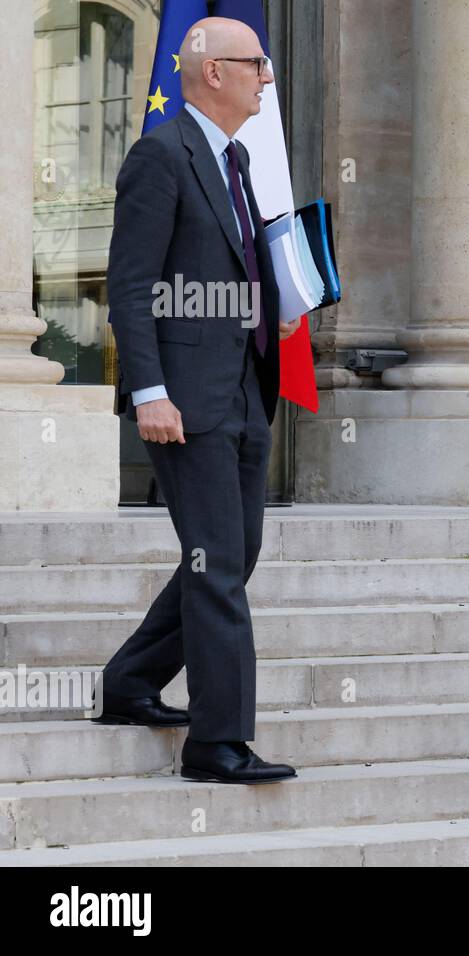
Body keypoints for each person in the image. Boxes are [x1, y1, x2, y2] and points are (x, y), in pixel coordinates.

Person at [93, 17, 300, 784]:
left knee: (230, 555)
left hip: (245, 389)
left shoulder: (237, 161)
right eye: (256, 65)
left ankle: (128, 682)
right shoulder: (160, 156)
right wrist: (149, 390)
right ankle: (217, 744)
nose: (267, 78)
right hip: (182, 397)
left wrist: (278, 300)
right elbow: (130, 285)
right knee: (216, 568)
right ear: (214, 72)